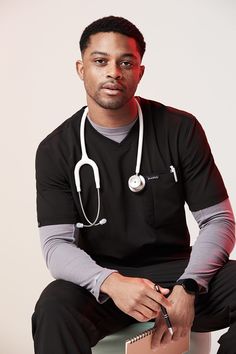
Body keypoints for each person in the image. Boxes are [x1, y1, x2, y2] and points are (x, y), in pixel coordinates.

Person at [32, 16, 235, 354]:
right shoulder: (55, 150)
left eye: (126, 62)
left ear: (140, 72)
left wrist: (190, 285)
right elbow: (56, 246)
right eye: (101, 61)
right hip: (103, 283)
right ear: (82, 69)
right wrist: (110, 282)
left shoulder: (179, 130)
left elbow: (219, 221)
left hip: (179, 273)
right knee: (53, 309)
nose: (114, 71)